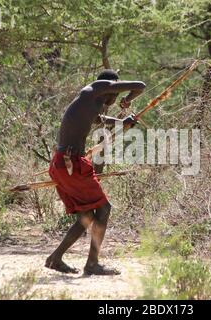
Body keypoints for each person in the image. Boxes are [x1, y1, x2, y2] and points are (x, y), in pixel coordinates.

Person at [46, 69, 146, 275]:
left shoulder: (90, 105)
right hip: (70, 164)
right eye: (115, 92)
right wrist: (127, 98)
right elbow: (140, 86)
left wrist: (122, 122)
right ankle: (92, 264)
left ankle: (55, 258)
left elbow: (99, 120)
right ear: (109, 86)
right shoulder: (95, 89)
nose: (114, 97)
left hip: (64, 164)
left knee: (87, 215)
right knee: (103, 209)